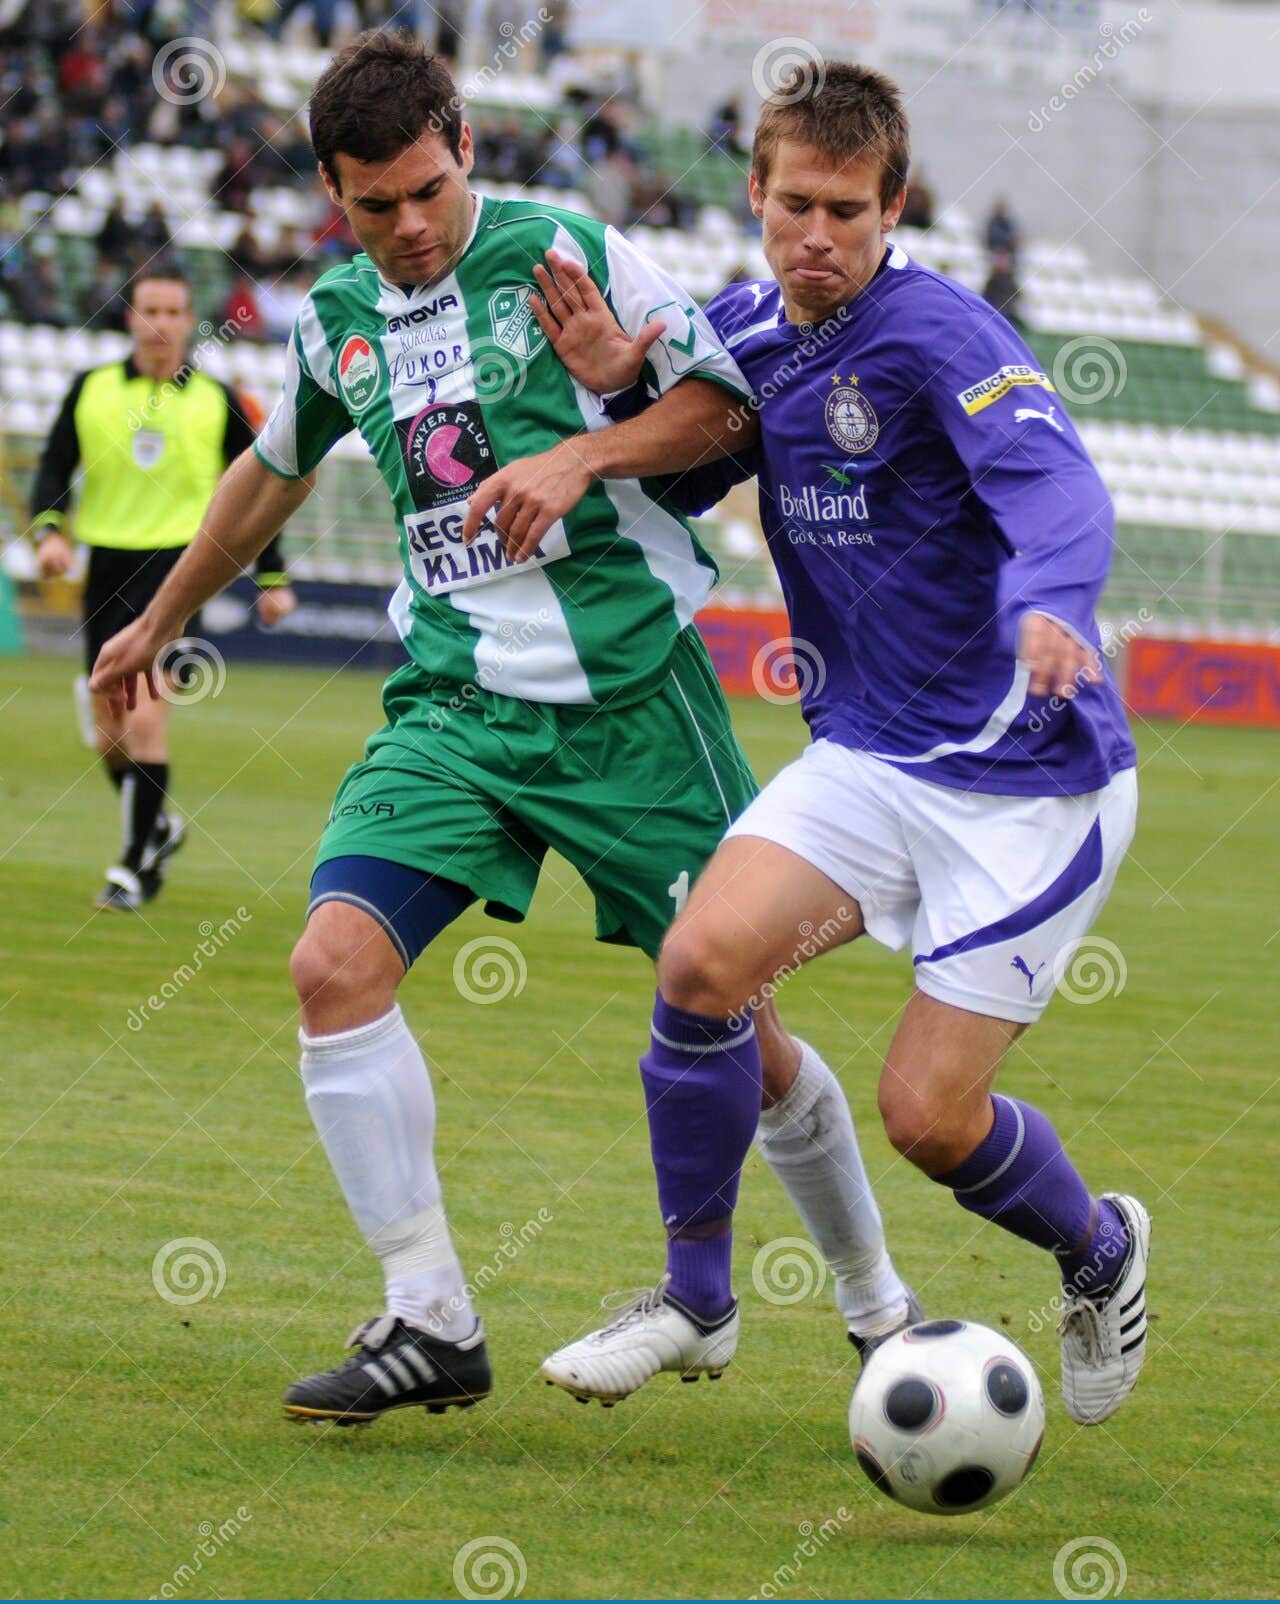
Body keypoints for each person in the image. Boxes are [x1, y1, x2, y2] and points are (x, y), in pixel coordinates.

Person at [90, 32, 915, 1427]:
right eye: (373, 205)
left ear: (464, 147)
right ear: (332, 199)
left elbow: (728, 410)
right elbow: (266, 476)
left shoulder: (568, 251)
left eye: (426, 189)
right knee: (330, 965)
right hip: (456, 711)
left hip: (629, 711)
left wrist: (585, 448)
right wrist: (157, 619)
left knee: (738, 1029)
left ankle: (877, 1304)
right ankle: (431, 1318)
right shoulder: (338, 312)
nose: (408, 228)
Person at [465, 62, 1150, 1426]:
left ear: (892, 206)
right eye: (793, 207)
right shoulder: (742, 334)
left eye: (846, 209)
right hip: (869, 761)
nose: (816, 236)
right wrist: (615, 391)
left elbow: (1055, 484)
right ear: (758, 198)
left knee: (929, 1120)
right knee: (703, 963)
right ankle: (697, 1302)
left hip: (1026, 778)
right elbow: (694, 456)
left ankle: (1101, 1249)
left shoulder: (943, 334)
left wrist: (1052, 605)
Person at [32, 264, 296, 912]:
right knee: (108, 726)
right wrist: (49, 533)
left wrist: (273, 575)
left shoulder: (219, 400)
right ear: (130, 317)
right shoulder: (89, 390)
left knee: (148, 714)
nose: (161, 324)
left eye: (174, 312)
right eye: (150, 310)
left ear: (189, 322)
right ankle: (157, 827)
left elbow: (264, 488)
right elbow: (54, 467)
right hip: (106, 571)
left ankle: (133, 867)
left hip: (180, 572)